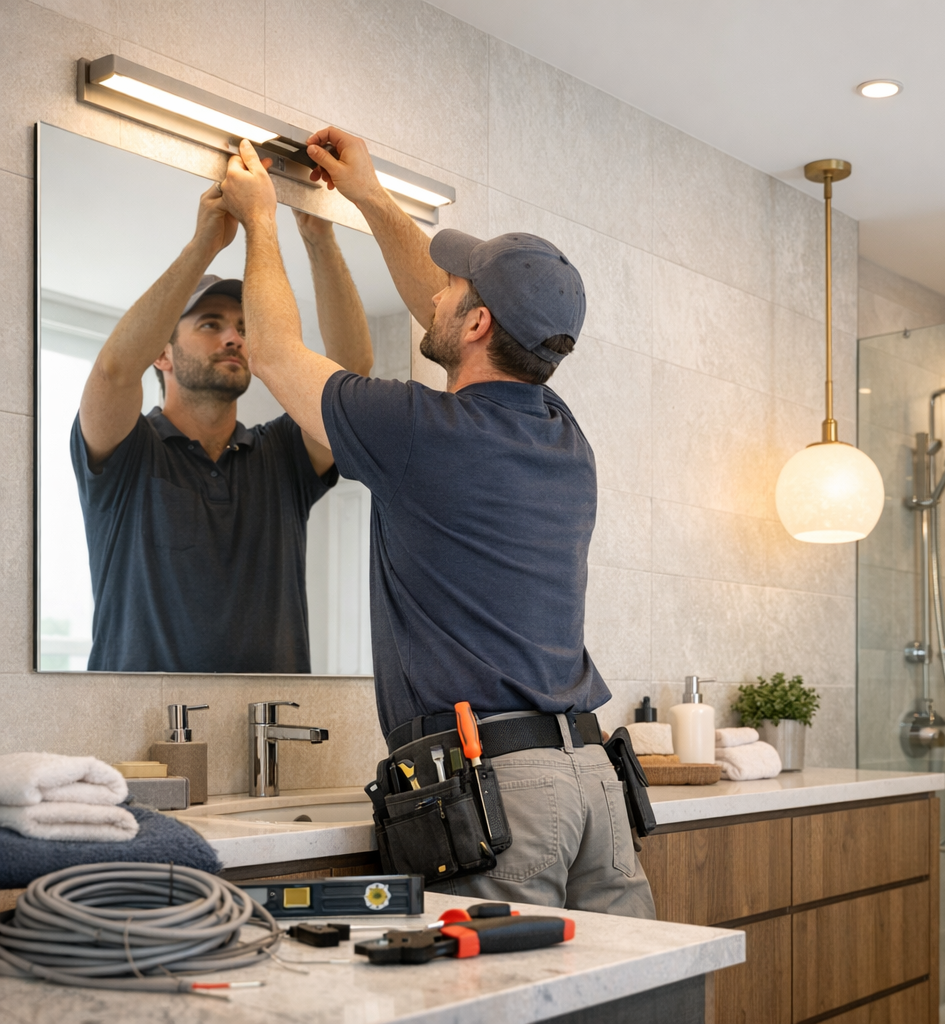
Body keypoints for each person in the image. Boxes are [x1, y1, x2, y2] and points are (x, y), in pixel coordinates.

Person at [219, 134, 655, 918]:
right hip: (593, 783)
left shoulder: (422, 431)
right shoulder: (563, 432)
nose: (439, 292)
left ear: (480, 321)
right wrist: (370, 196)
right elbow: (445, 308)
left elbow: (277, 353)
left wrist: (261, 220)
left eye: (457, 287)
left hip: (504, 800)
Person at [72, 179, 373, 673]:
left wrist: (320, 238)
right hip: (131, 734)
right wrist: (204, 244)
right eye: (210, 323)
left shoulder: (281, 455)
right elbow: (113, 372)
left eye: (242, 327)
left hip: (271, 729)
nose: (234, 337)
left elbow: (350, 374)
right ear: (162, 354)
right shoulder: (127, 450)